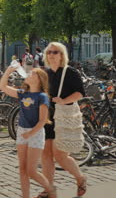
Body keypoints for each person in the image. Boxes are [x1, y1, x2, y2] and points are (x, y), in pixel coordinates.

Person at [39, 42, 87, 198]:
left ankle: (80, 178)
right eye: (49, 52)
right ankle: (49, 189)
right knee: (45, 155)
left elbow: (80, 93)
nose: (52, 55)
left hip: (63, 117)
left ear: (62, 55)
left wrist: (64, 100)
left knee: (60, 155)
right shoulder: (44, 72)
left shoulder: (70, 72)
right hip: (46, 118)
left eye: (55, 52)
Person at [0, 66, 56, 198]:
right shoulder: (23, 93)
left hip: (35, 133)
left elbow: (42, 120)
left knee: (31, 170)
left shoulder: (42, 97)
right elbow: (3, 86)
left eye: (32, 74)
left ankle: (50, 189)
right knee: (22, 169)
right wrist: (8, 71)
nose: (28, 74)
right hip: (22, 131)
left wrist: (30, 134)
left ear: (39, 79)